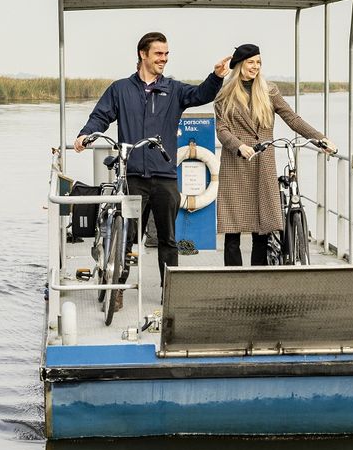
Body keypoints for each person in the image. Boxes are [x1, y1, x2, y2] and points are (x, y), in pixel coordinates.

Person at [74, 33, 231, 285]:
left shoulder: (174, 89)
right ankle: (118, 290)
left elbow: (201, 94)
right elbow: (101, 116)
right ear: (142, 54)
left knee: (168, 240)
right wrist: (86, 135)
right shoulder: (120, 89)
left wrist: (216, 77)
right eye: (159, 54)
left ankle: (169, 293)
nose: (164, 59)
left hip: (165, 177)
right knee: (125, 237)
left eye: (167, 54)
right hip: (133, 176)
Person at [214, 43, 337, 265]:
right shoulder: (224, 94)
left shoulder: (269, 90)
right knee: (232, 230)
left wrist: (319, 138)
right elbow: (222, 130)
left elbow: (292, 118)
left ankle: (258, 281)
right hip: (236, 166)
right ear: (240, 65)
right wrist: (239, 146)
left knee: (262, 229)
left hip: (264, 164)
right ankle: (233, 281)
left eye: (259, 62)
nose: (256, 67)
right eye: (251, 62)